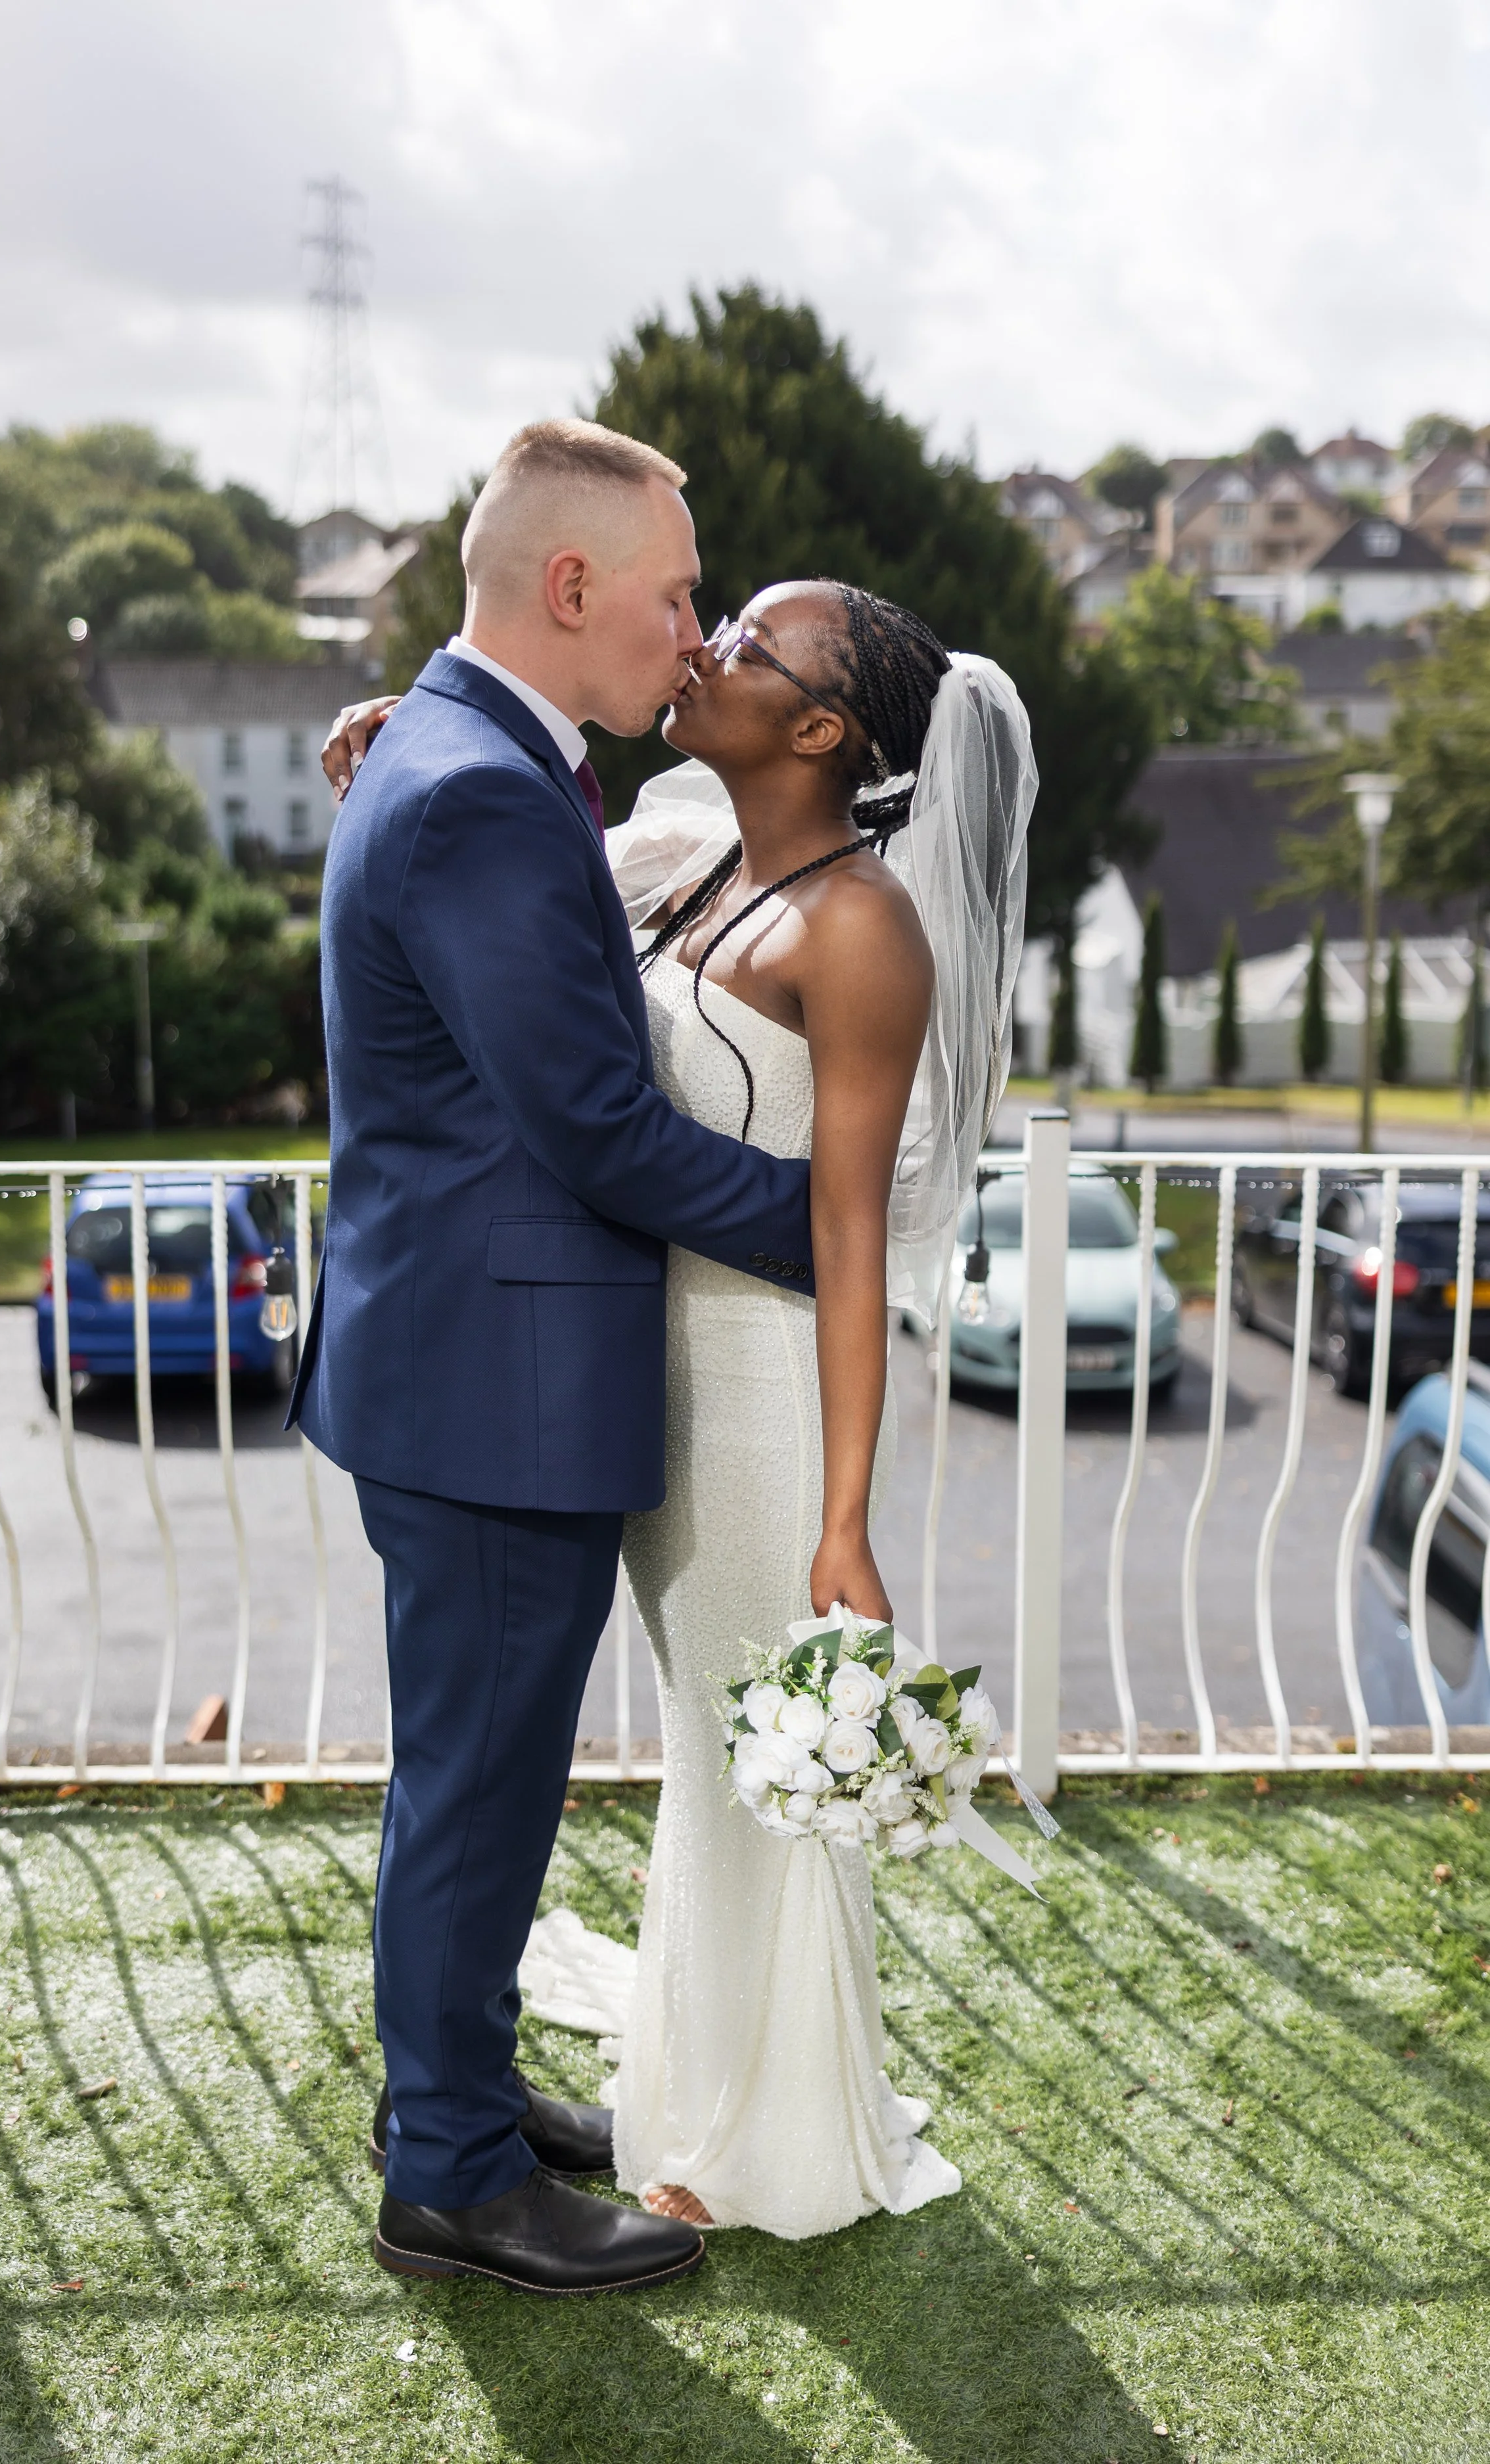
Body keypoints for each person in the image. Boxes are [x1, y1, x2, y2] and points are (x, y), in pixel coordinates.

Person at [321, 578, 1034, 2241]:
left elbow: (849, 1236)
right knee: (696, 1760)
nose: (704, 648)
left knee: (750, 1769)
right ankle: (673, 2079)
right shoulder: (687, 854)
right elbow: (516, 849)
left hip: (767, 1397)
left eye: (751, 646)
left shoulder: (858, 926)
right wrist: (395, 739)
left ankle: (768, 2131)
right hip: (632, 1385)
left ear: (820, 730)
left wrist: (846, 1516)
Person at [289, 419, 821, 2298]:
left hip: (462, 1366)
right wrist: (828, 1222)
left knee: (484, 1777)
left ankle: (461, 2093)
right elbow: (598, 1125)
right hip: (483, 1387)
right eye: (677, 590)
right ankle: (445, 2172)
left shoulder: (472, 754)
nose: (693, 630)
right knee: (477, 1786)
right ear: (570, 585)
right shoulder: (476, 788)